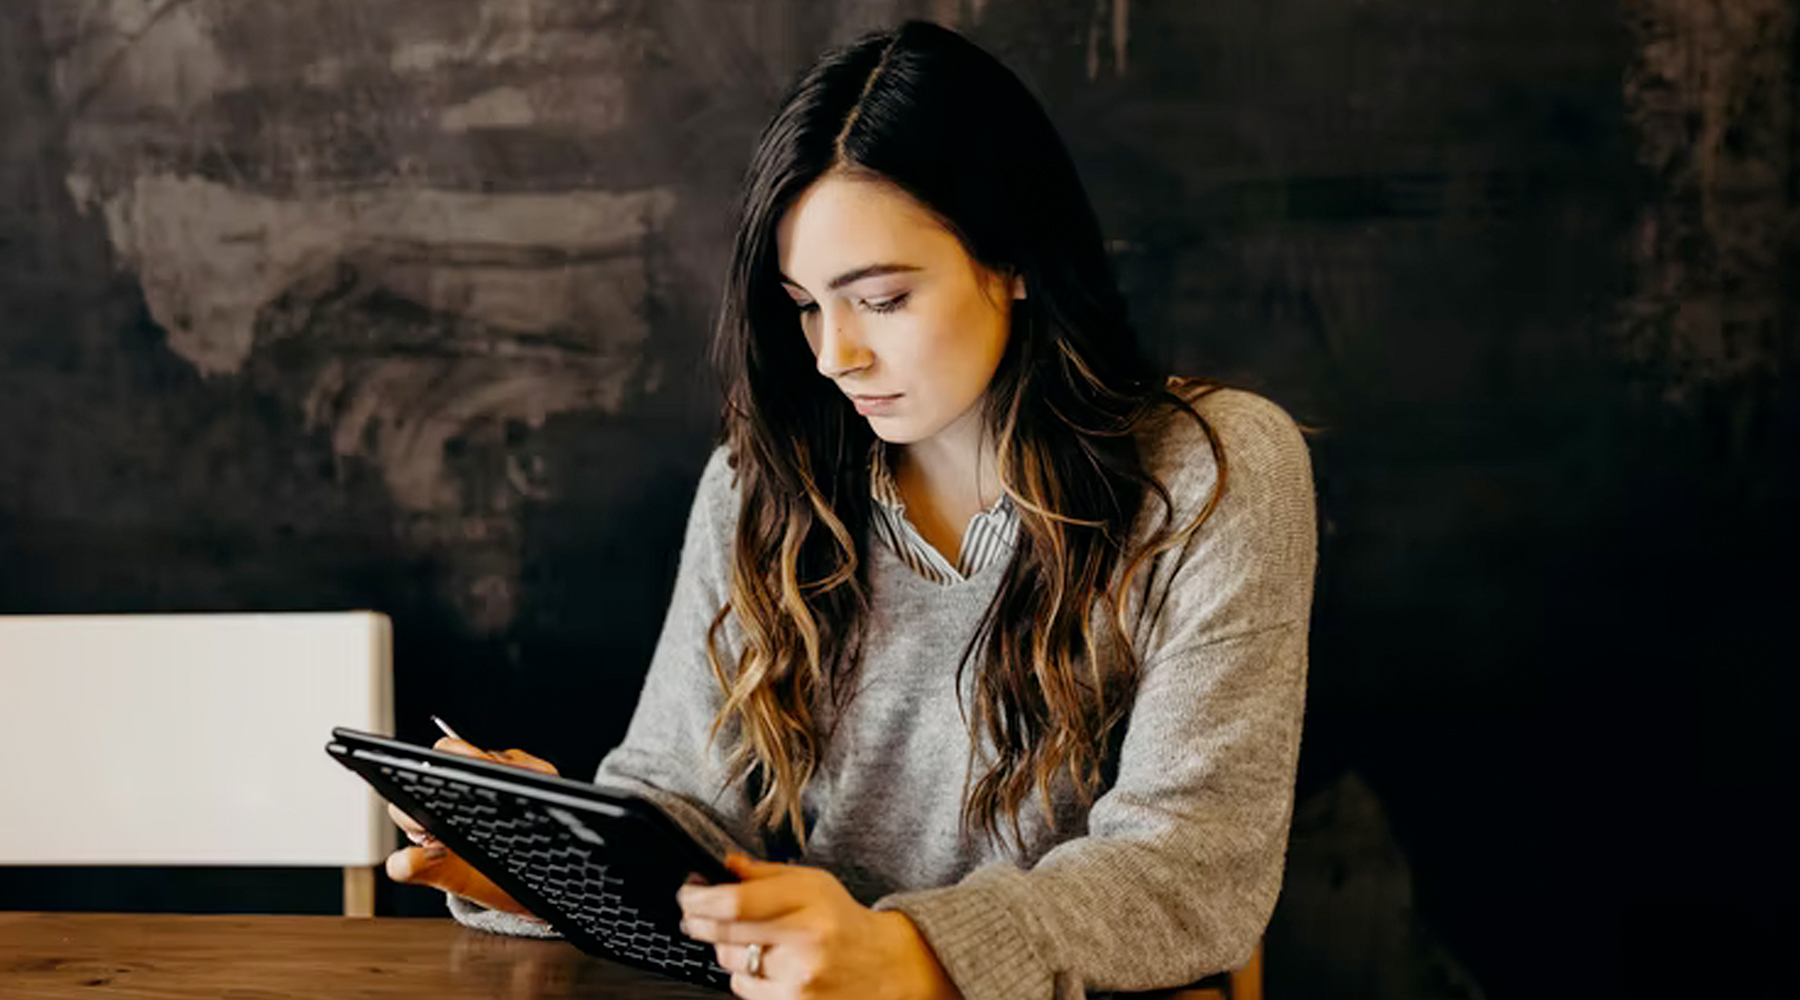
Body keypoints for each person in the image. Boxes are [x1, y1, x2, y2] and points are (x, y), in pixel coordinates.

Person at [384, 20, 1315, 1000]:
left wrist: (912, 955)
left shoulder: (1216, 470)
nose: (834, 357)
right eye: (806, 305)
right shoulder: (760, 483)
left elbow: (1195, 868)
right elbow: (692, 815)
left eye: (880, 298)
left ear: (1015, 259)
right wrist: (551, 866)